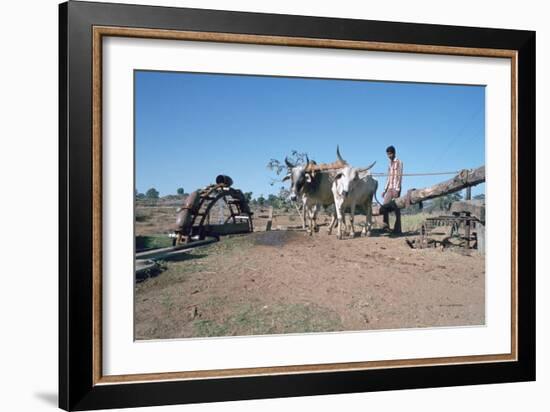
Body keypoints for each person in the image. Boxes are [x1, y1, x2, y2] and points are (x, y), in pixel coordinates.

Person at [381, 145, 403, 234]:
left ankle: (398, 228)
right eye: (387, 154)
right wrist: (384, 189)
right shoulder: (389, 164)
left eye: (390, 154)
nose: (389, 156)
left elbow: (400, 176)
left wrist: (397, 189)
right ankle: (386, 226)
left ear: (394, 153)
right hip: (389, 188)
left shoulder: (399, 162)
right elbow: (388, 177)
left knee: (397, 207)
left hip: (396, 188)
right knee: (385, 206)